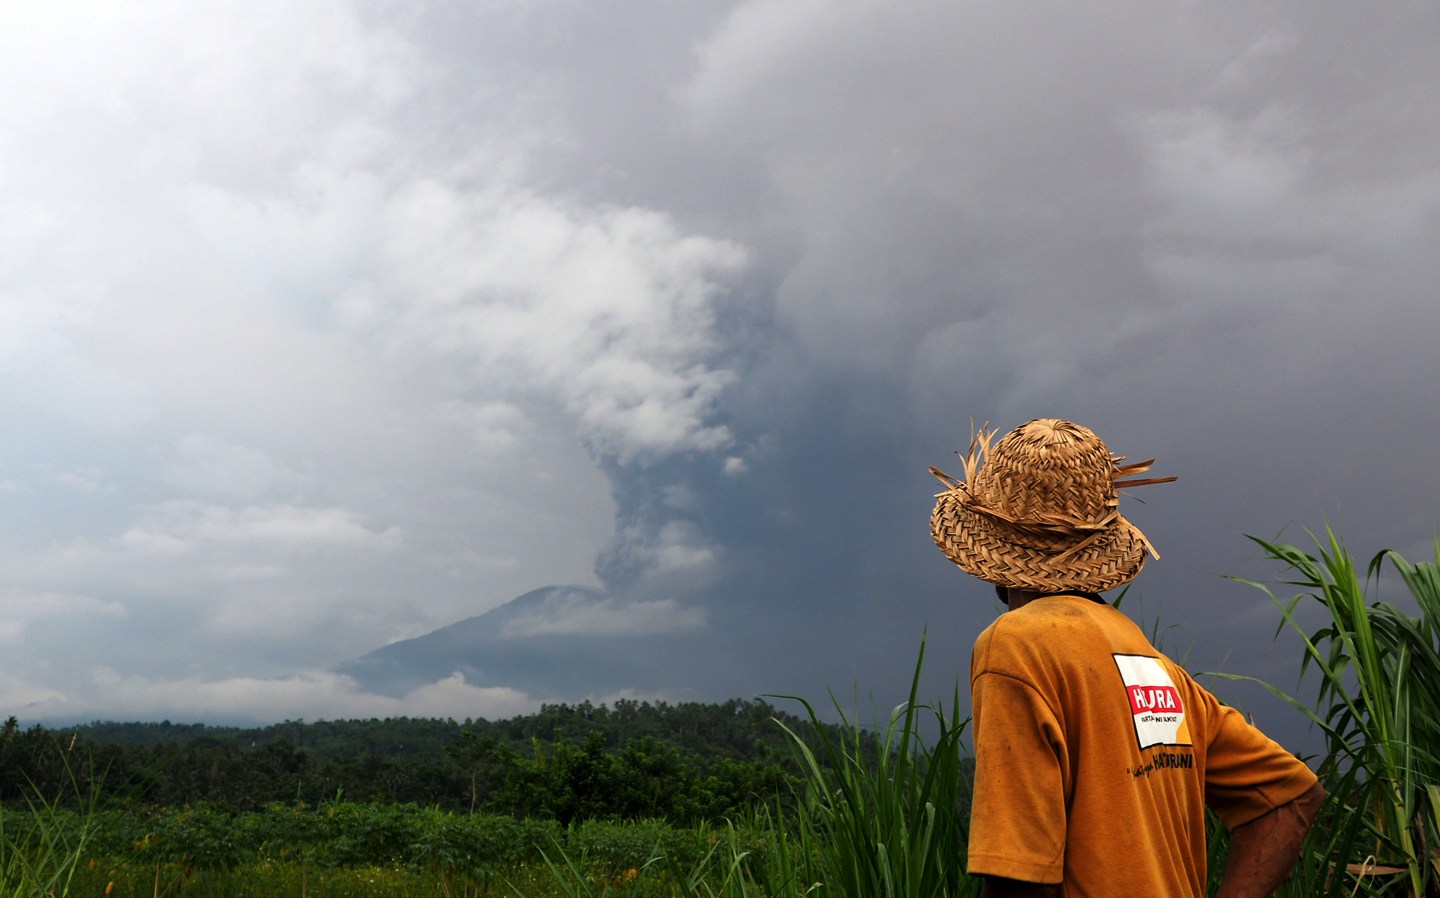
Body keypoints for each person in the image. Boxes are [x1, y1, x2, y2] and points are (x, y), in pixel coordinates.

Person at [929, 418, 1324, 898]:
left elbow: (1021, 880)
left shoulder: (1016, 645)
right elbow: (1290, 797)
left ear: (989, 549)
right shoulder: (1152, 664)